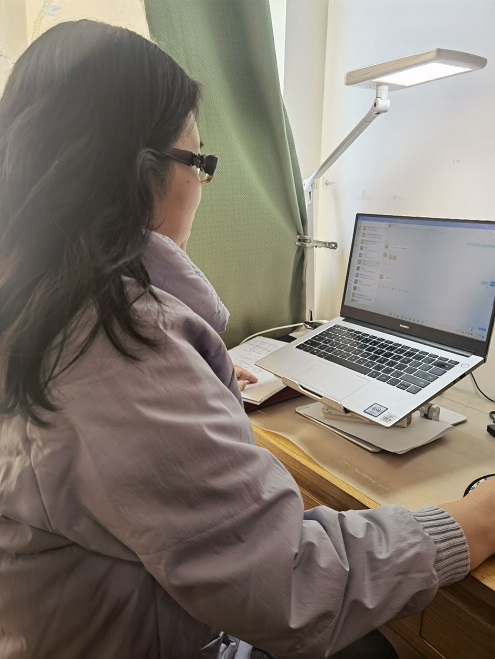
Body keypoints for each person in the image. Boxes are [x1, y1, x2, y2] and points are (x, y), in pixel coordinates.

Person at [1, 20, 495, 659]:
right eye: (199, 161)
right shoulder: (116, 344)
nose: (201, 186)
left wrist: (190, 385)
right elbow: (292, 582)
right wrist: (479, 520)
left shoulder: (37, 303)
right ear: (143, 174)